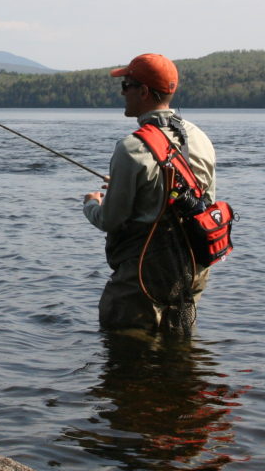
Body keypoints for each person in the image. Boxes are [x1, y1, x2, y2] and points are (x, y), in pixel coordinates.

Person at [82, 53, 216, 334]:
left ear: (143, 91)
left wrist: (92, 205)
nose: (122, 93)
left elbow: (110, 220)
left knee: (127, 358)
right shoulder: (200, 138)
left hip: (143, 279)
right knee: (179, 359)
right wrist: (131, 186)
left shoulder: (131, 148)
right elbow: (202, 203)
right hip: (190, 273)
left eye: (126, 85)